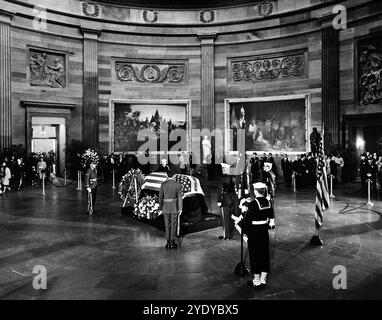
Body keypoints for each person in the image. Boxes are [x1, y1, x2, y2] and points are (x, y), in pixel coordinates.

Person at [242, 182, 275, 290]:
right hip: (264, 231)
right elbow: (271, 216)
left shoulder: (252, 204)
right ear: (264, 191)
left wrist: (245, 233)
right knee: (264, 254)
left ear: (255, 191)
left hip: (254, 232)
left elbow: (247, 221)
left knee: (255, 255)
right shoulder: (268, 202)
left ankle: (256, 281)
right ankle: (263, 279)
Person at [158, 170, 183, 249]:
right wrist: (180, 208)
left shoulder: (163, 185)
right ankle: (172, 242)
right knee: (173, 225)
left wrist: (160, 208)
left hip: (165, 207)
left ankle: (168, 242)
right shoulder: (178, 185)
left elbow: (160, 198)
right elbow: (180, 198)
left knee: (167, 225)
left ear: (167, 175)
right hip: (174, 207)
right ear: (174, 176)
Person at [217, 174, 238, 240]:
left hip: (225, 199)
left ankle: (226, 236)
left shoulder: (223, 178)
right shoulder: (233, 177)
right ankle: (230, 234)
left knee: (225, 219)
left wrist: (219, 200)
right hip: (232, 198)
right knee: (231, 218)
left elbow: (220, 189)